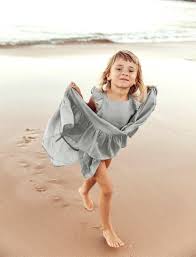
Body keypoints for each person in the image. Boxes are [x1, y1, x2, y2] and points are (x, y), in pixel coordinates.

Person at [63, 50, 157, 248]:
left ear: (135, 79)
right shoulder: (99, 98)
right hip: (91, 146)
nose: (125, 72)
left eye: (131, 70)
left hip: (110, 147)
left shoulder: (133, 104)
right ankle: (106, 229)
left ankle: (83, 191)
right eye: (119, 68)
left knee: (95, 176)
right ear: (108, 74)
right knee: (108, 189)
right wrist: (77, 97)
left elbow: (134, 122)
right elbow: (85, 114)